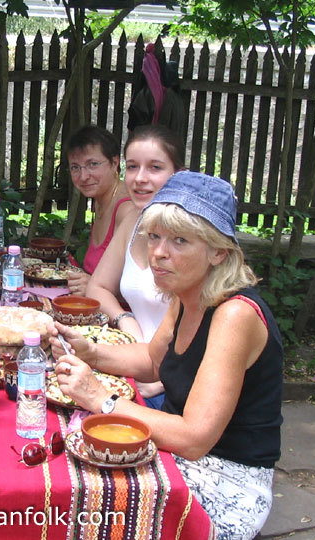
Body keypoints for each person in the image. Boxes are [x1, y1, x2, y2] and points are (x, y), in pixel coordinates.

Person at [51, 171, 283, 540]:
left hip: (225, 479)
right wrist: (92, 352)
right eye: (154, 236)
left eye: (179, 240)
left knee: (89, 505)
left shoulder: (234, 315)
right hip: (180, 455)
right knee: (74, 480)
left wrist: (99, 398)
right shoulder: (188, 292)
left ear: (218, 250)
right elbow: (154, 361)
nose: (159, 252)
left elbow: (194, 437)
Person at [86, 125, 185, 406]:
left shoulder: (191, 240)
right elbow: (97, 287)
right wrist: (125, 319)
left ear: (179, 174)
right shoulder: (134, 220)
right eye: (132, 167)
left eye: (154, 168)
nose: (140, 179)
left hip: (172, 386)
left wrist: (165, 378)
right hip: (133, 364)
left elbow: (212, 335)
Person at [64, 125, 134, 296]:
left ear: (115, 163)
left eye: (92, 164)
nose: (83, 176)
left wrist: (94, 285)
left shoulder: (126, 210)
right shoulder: (100, 201)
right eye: (75, 167)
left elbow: (137, 286)